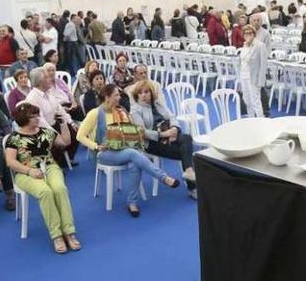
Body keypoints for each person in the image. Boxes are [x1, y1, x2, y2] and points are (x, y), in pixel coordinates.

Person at [77, 84, 180, 217]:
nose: (119, 97)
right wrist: (96, 146)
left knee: (134, 163)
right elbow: (79, 136)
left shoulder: (121, 111)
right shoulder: (95, 113)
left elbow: (132, 130)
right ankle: (163, 177)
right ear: (107, 98)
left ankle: (132, 203)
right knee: (133, 154)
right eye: (116, 95)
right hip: (105, 153)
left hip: (124, 148)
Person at [5, 103, 80, 254]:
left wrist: (63, 124)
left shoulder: (45, 132)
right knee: (45, 192)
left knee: (60, 189)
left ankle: (69, 231)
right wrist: (29, 171)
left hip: (50, 166)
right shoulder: (14, 138)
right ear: (25, 118)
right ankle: (56, 235)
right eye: (35, 116)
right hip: (25, 172)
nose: (39, 118)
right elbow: (10, 162)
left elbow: (65, 142)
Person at [129, 80, 197, 198]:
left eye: (146, 92)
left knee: (186, 138)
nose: (143, 95)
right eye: (140, 93)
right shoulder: (135, 109)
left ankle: (189, 172)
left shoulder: (158, 103)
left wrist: (175, 129)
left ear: (151, 93)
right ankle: (192, 186)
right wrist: (164, 134)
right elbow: (142, 133)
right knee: (185, 152)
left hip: (168, 134)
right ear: (137, 95)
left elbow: (172, 117)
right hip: (151, 143)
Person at [20, 68, 79, 166]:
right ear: (39, 82)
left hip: (54, 124)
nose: (50, 79)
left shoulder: (48, 93)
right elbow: (40, 121)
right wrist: (55, 134)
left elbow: (59, 109)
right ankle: (53, 165)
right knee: (54, 141)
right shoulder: (32, 98)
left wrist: (71, 122)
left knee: (75, 133)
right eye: (46, 77)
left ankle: (66, 160)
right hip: (41, 130)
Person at [238, 25, 268, 118]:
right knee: (246, 99)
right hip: (243, 75)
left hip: (254, 77)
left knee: (255, 100)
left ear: (254, 34)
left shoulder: (260, 46)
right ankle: (251, 118)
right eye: (246, 33)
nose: (248, 35)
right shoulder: (244, 45)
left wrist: (261, 81)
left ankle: (260, 119)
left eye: (250, 33)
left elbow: (263, 65)